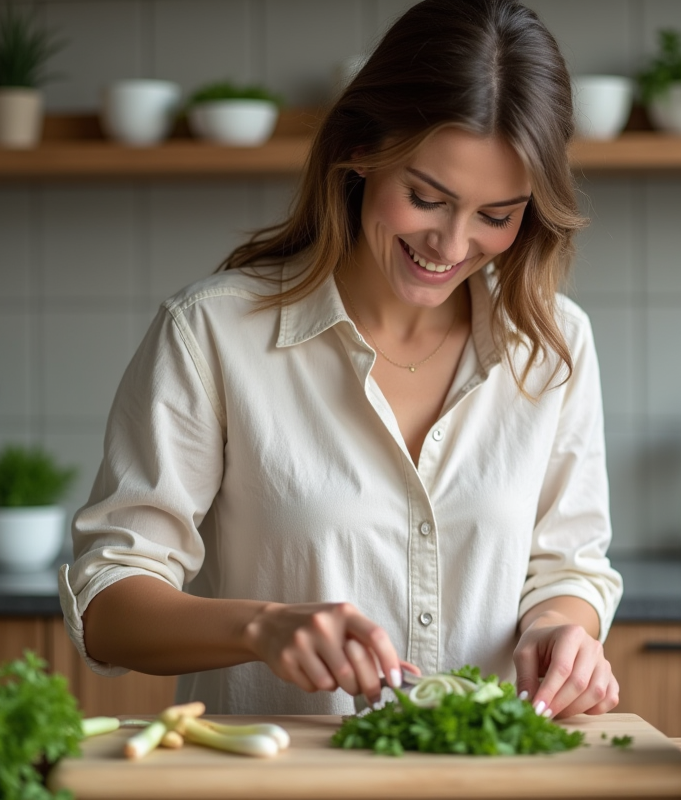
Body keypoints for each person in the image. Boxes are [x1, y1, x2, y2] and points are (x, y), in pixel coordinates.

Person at [59, 0, 623, 719]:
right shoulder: (212, 332)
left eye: (496, 215)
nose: (451, 246)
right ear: (361, 152)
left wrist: (560, 629)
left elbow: (567, 565)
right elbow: (110, 600)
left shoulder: (553, 343)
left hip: (487, 777)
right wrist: (262, 628)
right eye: (427, 197)